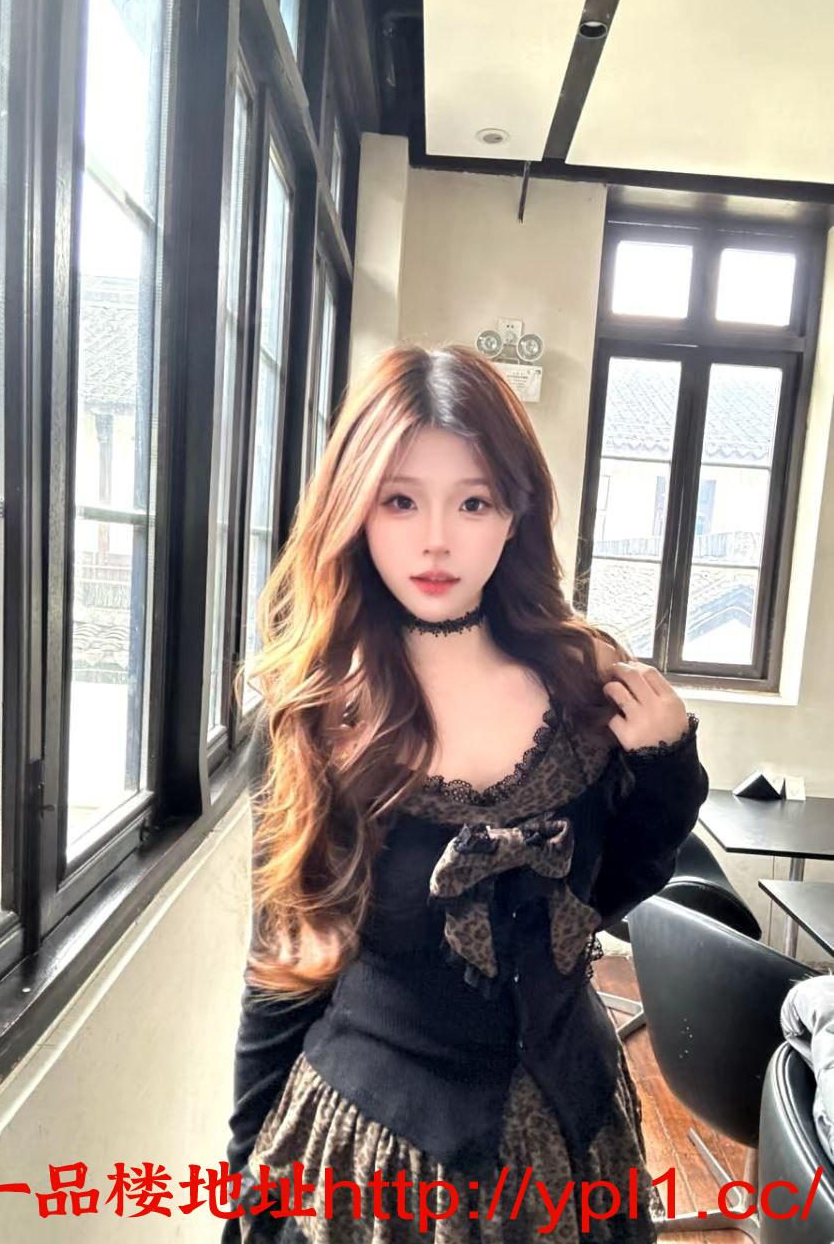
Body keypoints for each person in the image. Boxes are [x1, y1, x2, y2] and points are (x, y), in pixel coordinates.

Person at [219, 344, 709, 1243]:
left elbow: (608, 893)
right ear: (354, 509)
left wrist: (669, 763)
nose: (436, 540)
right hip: (375, 1162)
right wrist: (248, 1180)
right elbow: (285, 968)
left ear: (516, 513)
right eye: (400, 500)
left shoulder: (584, 679)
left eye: (473, 502)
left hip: (574, 1144)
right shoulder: (318, 715)